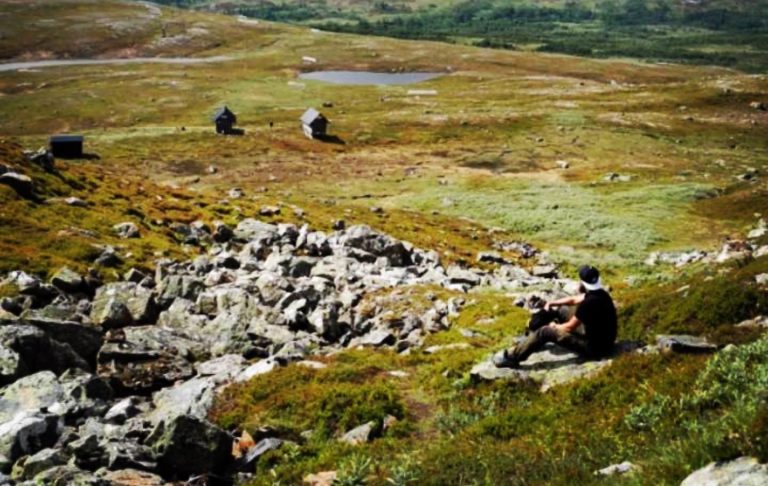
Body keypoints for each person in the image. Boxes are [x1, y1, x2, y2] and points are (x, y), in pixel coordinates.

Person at [493, 265, 617, 368]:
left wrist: (555, 326)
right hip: (603, 340)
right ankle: (530, 339)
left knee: (545, 332)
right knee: (560, 309)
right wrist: (552, 303)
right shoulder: (601, 294)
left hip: (594, 348)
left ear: (583, 283)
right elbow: (574, 299)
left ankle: (513, 357)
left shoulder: (588, 304)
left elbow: (569, 328)